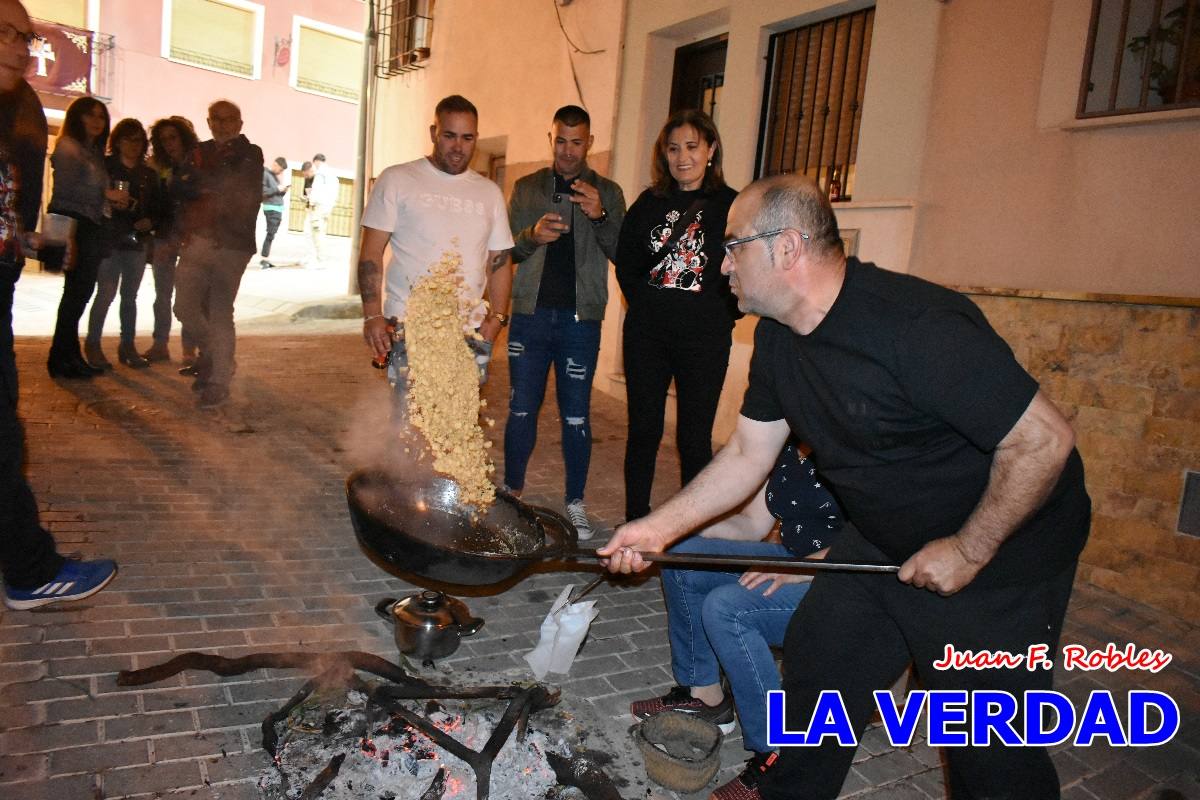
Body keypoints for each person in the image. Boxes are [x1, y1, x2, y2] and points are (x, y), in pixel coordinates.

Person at [601, 174, 1091, 800]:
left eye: (732, 246)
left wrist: (968, 550)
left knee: (987, 752)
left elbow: (1045, 440)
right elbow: (749, 455)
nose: (719, 263)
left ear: (785, 248)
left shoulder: (914, 325)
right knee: (820, 664)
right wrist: (656, 530)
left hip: (1006, 552)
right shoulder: (777, 338)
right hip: (884, 539)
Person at [628, 442, 845, 800]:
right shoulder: (786, 441)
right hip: (790, 560)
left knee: (727, 608)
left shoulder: (858, 438)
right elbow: (751, 524)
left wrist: (802, 568)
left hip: (841, 578)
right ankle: (707, 698)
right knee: (684, 558)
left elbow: (883, 538)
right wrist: (671, 531)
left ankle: (778, 754)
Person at [1, 0, 117, 609]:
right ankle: (28, 570)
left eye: (26, 35)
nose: (24, 48)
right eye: (8, 35)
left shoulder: (13, 111)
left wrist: (31, 243)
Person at [502, 105, 626, 540]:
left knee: (576, 416)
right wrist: (531, 236)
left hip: (580, 320)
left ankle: (575, 501)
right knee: (521, 409)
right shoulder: (527, 187)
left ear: (589, 142)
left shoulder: (607, 191)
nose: (568, 151)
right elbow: (505, 253)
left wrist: (600, 216)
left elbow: (622, 254)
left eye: (577, 142)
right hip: (530, 316)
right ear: (550, 138)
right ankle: (511, 493)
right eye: (561, 141)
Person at [615, 109, 739, 523]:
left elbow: (746, 264)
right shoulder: (650, 202)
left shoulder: (732, 206)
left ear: (711, 150)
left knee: (694, 439)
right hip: (648, 338)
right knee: (644, 432)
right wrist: (647, 307)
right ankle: (636, 519)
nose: (682, 157)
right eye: (673, 148)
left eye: (691, 146)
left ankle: (693, 527)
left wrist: (723, 312)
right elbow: (626, 262)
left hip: (704, 340)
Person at [359, 95, 513, 397]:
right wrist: (372, 315)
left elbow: (500, 259)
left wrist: (497, 319)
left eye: (467, 138)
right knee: (410, 421)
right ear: (434, 133)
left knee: (459, 424)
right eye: (449, 135)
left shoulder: (489, 194)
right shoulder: (398, 179)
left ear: (476, 139)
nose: (458, 146)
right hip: (409, 325)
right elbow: (370, 254)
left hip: (469, 331)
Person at [172, 100, 264, 410]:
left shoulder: (250, 153)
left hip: (231, 243)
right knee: (183, 306)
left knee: (220, 310)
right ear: (209, 122)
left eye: (229, 119)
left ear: (240, 123)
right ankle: (216, 353)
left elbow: (240, 192)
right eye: (217, 119)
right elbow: (180, 188)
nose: (223, 125)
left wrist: (201, 186)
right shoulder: (198, 152)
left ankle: (219, 379)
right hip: (197, 239)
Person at [45, 95, 130, 379]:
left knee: (80, 293)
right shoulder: (69, 147)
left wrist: (110, 202)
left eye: (101, 116)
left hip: (91, 224)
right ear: (77, 117)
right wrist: (106, 194)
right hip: (74, 225)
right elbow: (66, 190)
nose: (96, 121)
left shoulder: (92, 152)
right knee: (76, 294)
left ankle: (69, 355)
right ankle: (61, 358)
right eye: (90, 115)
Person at [84, 118, 160, 370]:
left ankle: (127, 345)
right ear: (117, 142)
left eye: (138, 140)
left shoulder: (149, 175)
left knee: (130, 296)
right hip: (108, 239)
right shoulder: (105, 168)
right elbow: (90, 197)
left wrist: (150, 220)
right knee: (105, 293)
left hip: (136, 242)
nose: (133, 145)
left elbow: (160, 208)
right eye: (127, 139)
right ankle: (93, 344)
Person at [143, 115, 200, 365]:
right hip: (165, 237)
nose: (168, 143)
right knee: (162, 293)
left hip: (191, 237)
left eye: (173, 137)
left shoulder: (197, 163)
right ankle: (160, 344)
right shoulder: (158, 167)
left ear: (184, 137)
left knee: (189, 294)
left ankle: (189, 349)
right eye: (163, 139)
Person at [304, 153, 337, 266]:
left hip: (318, 208)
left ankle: (320, 260)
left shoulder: (320, 173)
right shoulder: (332, 174)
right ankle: (317, 259)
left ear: (316, 161)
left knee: (316, 234)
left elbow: (316, 190)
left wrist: (311, 202)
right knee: (319, 233)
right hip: (327, 208)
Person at [260, 156, 289, 269]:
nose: (280, 173)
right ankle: (264, 260)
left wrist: (283, 191)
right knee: (270, 234)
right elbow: (263, 192)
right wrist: (278, 189)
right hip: (271, 208)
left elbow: (276, 193)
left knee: (271, 234)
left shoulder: (275, 177)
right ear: (275, 164)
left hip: (276, 207)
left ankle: (265, 259)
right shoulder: (265, 174)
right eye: (280, 170)